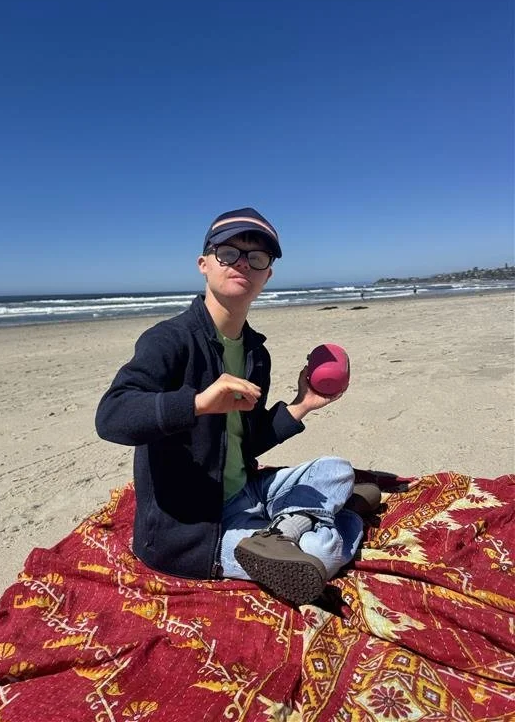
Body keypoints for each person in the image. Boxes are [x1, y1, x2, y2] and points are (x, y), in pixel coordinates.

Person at [95, 207, 380, 606]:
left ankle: (282, 531)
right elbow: (111, 416)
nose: (242, 264)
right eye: (229, 252)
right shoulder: (169, 341)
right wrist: (196, 404)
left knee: (336, 468)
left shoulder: (254, 354)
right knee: (320, 554)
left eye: (257, 258)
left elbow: (243, 444)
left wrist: (302, 405)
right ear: (204, 263)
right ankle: (329, 517)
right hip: (192, 529)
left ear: (267, 274)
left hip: (246, 492)